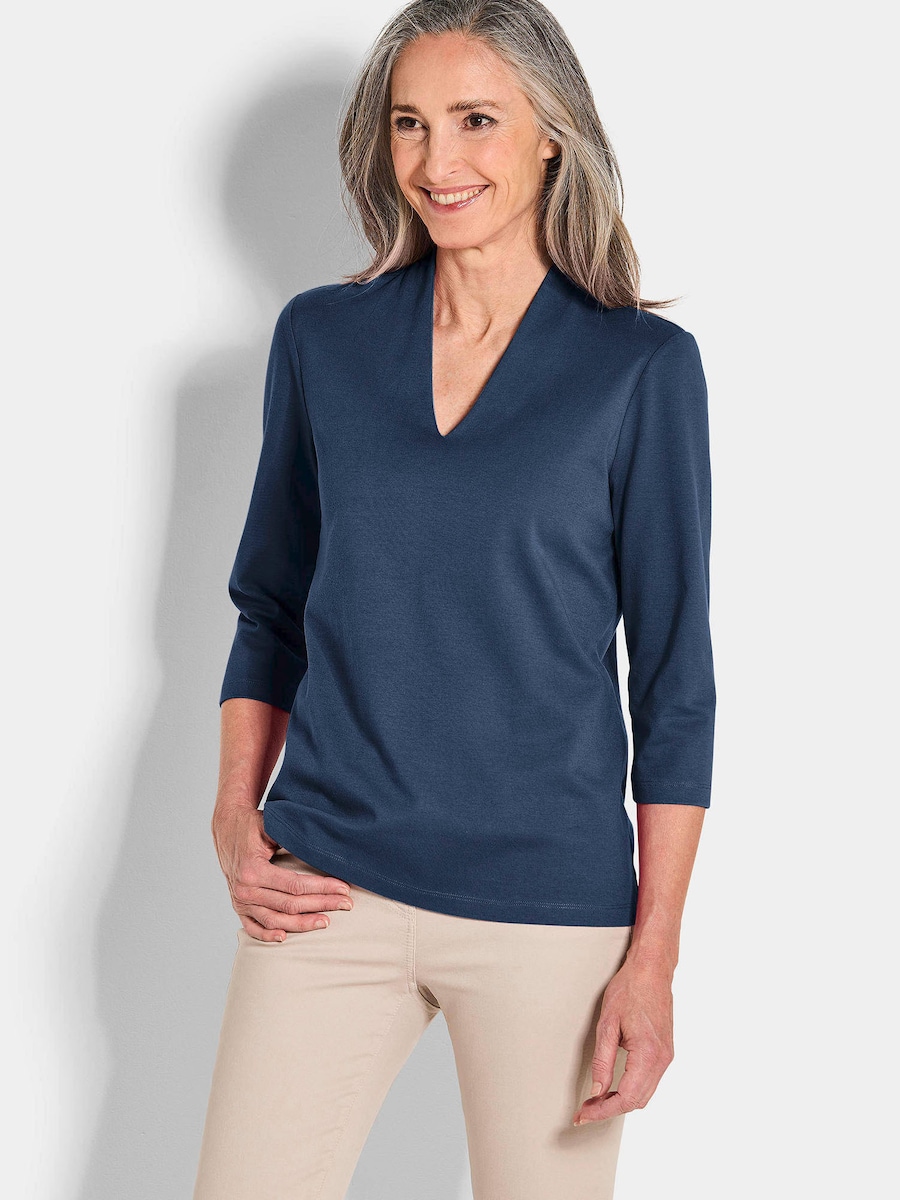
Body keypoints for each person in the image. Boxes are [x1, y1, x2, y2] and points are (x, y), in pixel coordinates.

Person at [192, 1, 715, 1197]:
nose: (438, 162)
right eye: (410, 123)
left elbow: (676, 682)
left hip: (549, 907)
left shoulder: (640, 369)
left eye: (477, 119)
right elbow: (270, 606)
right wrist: (232, 812)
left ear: (551, 134)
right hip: (326, 884)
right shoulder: (322, 339)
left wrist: (654, 961)